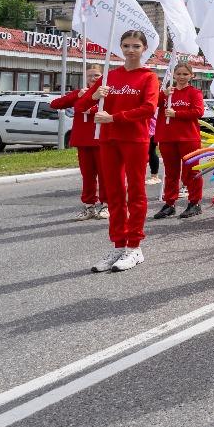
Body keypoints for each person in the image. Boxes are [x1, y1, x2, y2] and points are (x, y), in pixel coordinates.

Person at [82, 30, 159, 273]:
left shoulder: (148, 77)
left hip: (135, 140)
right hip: (108, 140)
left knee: (135, 192)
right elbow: (81, 105)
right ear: (120, 48)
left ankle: (134, 247)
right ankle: (118, 245)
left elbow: (149, 109)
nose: (130, 50)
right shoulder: (109, 76)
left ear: (144, 48)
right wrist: (94, 95)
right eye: (126, 45)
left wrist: (114, 117)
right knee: (114, 194)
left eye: (136, 46)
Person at [50, 63, 108, 221]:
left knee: (104, 174)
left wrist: (93, 109)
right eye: (89, 75)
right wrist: (77, 96)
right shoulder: (80, 93)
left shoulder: (106, 92)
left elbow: (114, 109)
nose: (92, 78)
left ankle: (106, 204)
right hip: (83, 140)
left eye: (96, 75)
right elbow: (55, 104)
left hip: (100, 138)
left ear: (102, 76)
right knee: (87, 175)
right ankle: (89, 206)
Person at [152, 60, 206, 220]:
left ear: (191, 75)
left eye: (185, 74)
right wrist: (163, 95)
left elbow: (198, 111)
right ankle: (170, 204)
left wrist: (177, 113)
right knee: (171, 173)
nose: (181, 77)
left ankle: (194, 203)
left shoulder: (195, 93)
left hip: (189, 138)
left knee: (192, 172)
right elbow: (151, 103)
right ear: (173, 75)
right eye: (179, 74)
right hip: (167, 137)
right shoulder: (167, 93)